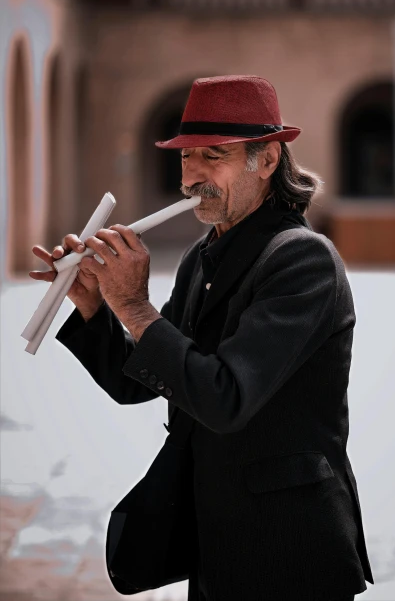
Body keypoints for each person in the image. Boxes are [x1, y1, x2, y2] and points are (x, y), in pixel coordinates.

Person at [30, 75, 374, 601]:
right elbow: (147, 382)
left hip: (289, 544)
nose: (194, 176)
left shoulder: (303, 259)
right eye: (186, 157)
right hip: (213, 535)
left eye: (215, 156)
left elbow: (224, 397)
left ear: (268, 158)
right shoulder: (203, 255)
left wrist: (135, 305)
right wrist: (96, 306)